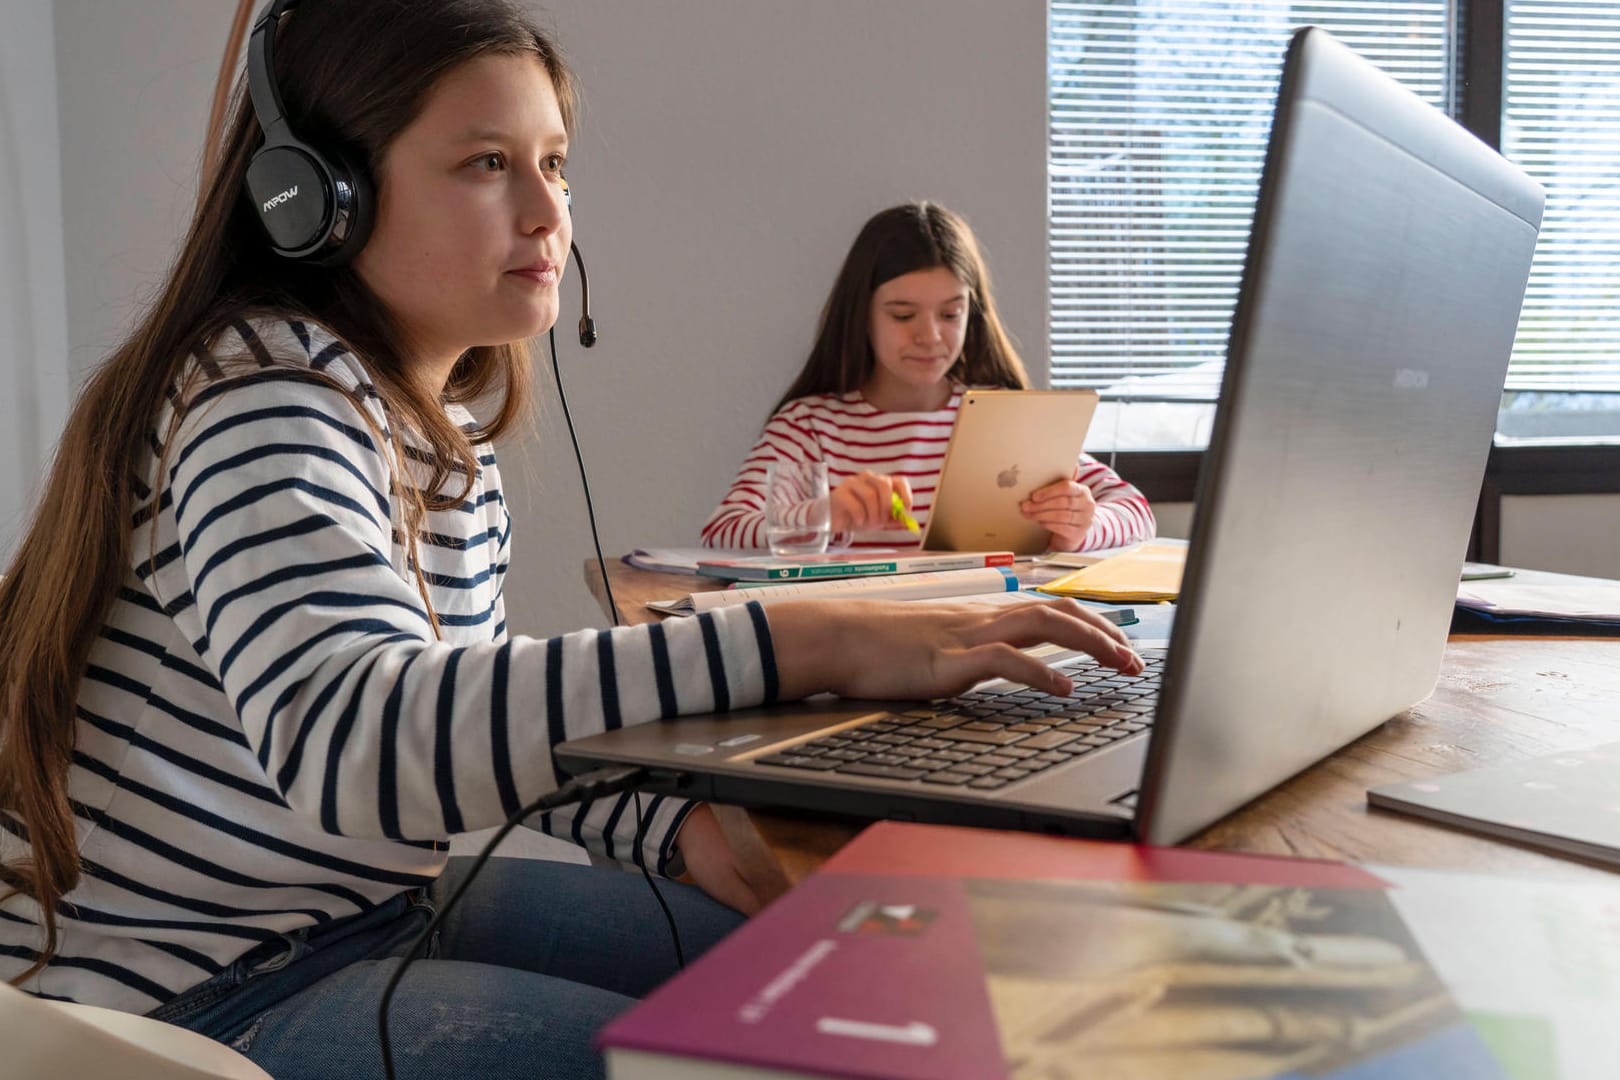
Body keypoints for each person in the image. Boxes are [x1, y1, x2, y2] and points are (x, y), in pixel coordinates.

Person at [0, 3, 1143, 1078]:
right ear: (317, 196)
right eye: (486, 163)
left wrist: (666, 826)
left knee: (825, 977)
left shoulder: (436, 433)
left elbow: (468, 727)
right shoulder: (265, 398)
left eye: (553, 163)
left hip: (356, 910)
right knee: (757, 1052)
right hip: (189, 990)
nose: (550, 214)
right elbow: (357, 739)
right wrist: (802, 639)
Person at [701, 201, 1156, 552]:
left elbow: (1137, 512)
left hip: (988, 636)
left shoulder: (1004, 417)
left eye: (950, 314)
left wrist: (1083, 524)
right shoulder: (810, 425)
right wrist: (823, 514)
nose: (930, 336)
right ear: (862, 316)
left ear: (971, 315)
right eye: (903, 315)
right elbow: (722, 531)